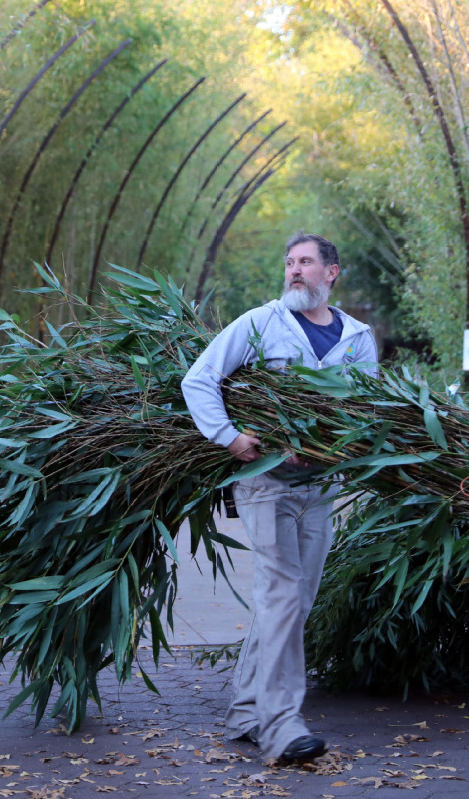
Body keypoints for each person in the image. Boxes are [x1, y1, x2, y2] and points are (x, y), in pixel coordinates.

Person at [181, 232, 378, 763]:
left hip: (321, 485)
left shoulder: (357, 338)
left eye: (306, 262)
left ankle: (246, 713)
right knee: (283, 595)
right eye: (289, 262)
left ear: (331, 272)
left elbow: (367, 410)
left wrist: (345, 447)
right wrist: (230, 438)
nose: (294, 270)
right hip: (265, 484)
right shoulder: (260, 322)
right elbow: (198, 379)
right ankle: (281, 726)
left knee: (295, 600)